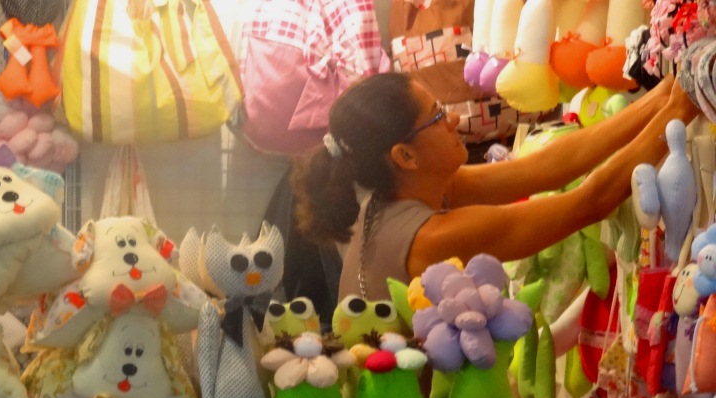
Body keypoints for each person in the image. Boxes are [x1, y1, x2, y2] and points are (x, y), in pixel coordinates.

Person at [292, 72, 702, 300]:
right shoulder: (429, 239)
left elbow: (546, 168)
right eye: (437, 116)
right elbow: (587, 203)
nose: (454, 120)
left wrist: (667, 92)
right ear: (405, 156)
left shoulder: (409, 189)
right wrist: (681, 110)